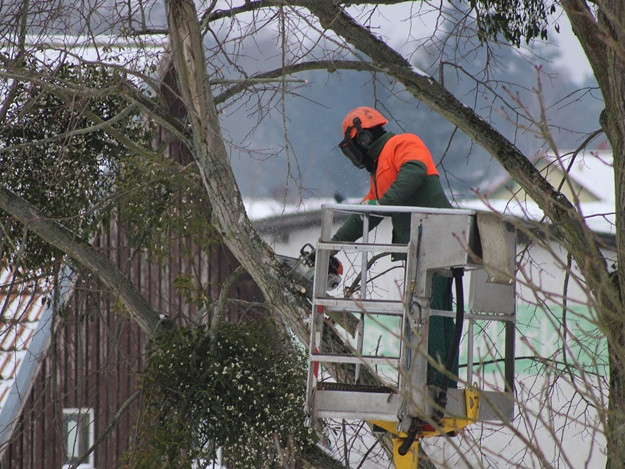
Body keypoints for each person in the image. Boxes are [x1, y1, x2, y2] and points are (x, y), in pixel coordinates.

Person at [331, 106, 457, 388]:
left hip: (437, 243)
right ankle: (438, 382)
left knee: (431, 316)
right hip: (421, 250)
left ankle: (436, 387)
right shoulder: (380, 172)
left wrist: (384, 204)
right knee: (429, 314)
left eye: (354, 146)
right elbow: (366, 216)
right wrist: (331, 246)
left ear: (362, 139)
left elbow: (414, 173)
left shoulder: (403, 143)